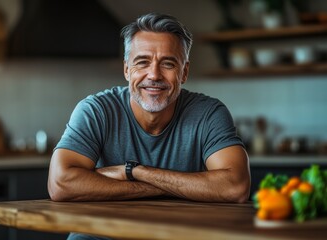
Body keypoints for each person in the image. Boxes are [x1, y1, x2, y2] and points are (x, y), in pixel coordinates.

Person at [48, 12, 251, 240]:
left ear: (184, 72)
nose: (154, 75)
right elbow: (60, 184)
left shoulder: (209, 113)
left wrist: (133, 171)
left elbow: (235, 187)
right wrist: (176, 188)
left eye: (168, 63)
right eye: (142, 62)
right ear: (127, 69)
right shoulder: (96, 110)